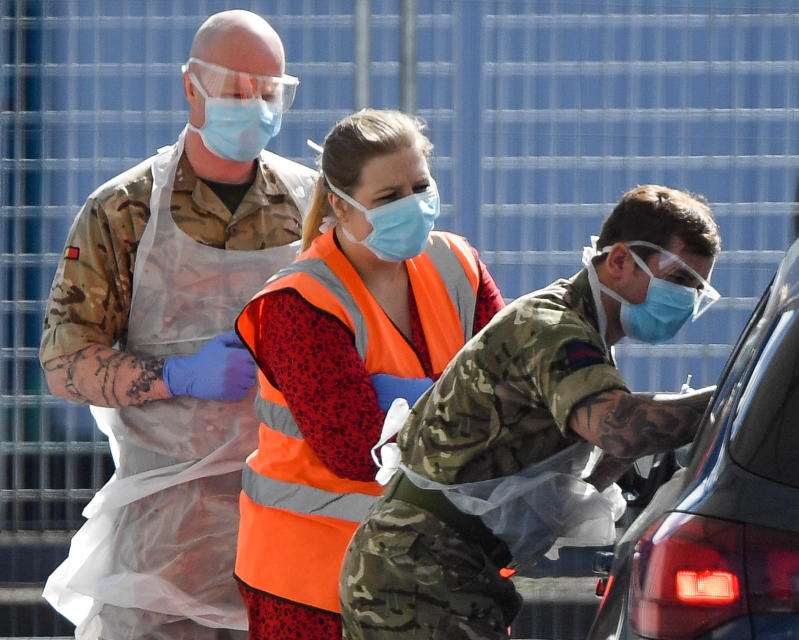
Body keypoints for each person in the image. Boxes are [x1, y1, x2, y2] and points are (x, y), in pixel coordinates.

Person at [39, 10, 317, 640]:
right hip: (166, 538)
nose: (254, 105)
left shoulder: (311, 207)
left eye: (269, 91)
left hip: (286, 520)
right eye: (237, 89)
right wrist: (178, 375)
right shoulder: (123, 210)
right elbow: (64, 364)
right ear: (191, 85)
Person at [339, 183, 723, 640]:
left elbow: (587, 457)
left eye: (697, 289)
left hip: (441, 567)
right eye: (678, 280)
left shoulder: (586, 339)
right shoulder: (553, 328)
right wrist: (737, 393)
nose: (687, 300)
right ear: (619, 261)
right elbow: (622, 431)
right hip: (418, 573)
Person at [231, 108, 506, 640]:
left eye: (421, 185)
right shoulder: (298, 302)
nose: (414, 204)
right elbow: (357, 450)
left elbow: (511, 385)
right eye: (389, 197)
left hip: (442, 568)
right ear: (340, 203)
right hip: (314, 581)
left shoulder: (458, 263)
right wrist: (474, 419)